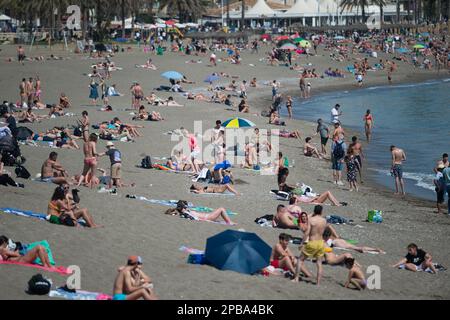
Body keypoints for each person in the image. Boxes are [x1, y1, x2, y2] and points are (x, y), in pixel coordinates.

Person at [293, 205, 327, 285]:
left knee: (300, 260)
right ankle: (318, 283)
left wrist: (302, 243)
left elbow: (307, 233)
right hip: (321, 243)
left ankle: (296, 278)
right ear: (321, 211)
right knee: (319, 263)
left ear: (314, 211)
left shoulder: (311, 220)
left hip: (312, 243)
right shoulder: (324, 220)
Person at [166, 204, 235, 225]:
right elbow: (194, 218)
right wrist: (203, 220)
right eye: (184, 207)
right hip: (208, 217)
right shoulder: (186, 213)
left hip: (208, 216)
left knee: (221, 209)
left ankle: (228, 221)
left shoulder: (186, 212)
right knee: (221, 208)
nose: (186, 207)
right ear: (182, 209)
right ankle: (229, 222)